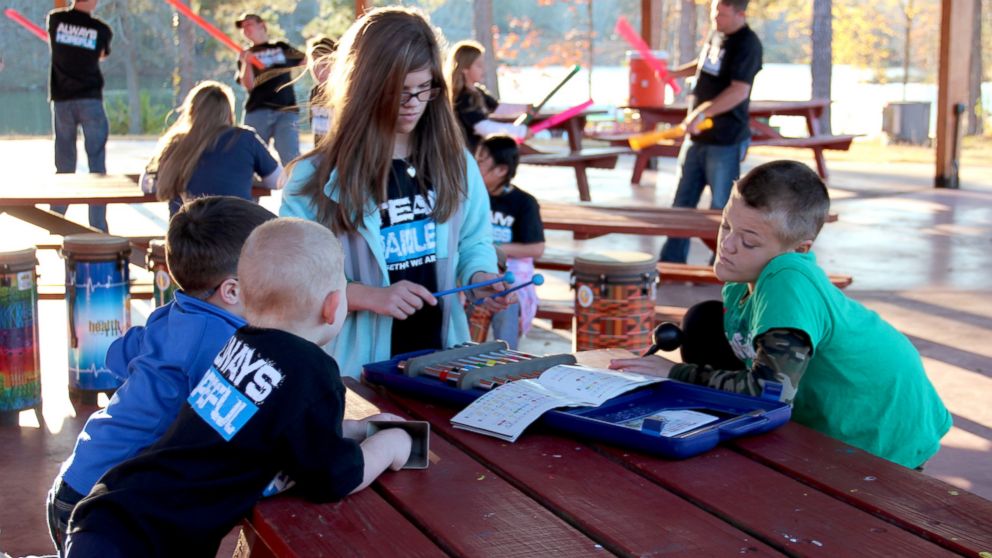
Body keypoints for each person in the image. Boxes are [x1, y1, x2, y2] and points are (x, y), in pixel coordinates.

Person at [64, 218, 414, 558]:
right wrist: (388, 445)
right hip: (145, 541)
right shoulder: (310, 371)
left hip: (116, 509)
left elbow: (262, 428)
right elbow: (333, 478)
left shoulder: (240, 344)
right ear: (333, 306)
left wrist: (343, 429)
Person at [611, 161, 951, 469]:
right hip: (835, 409)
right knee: (704, 320)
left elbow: (768, 393)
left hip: (880, 433)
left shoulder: (787, 276)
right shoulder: (741, 278)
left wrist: (675, 374)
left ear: (799, 248)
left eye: (749, 241)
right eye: (726, 226)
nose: (727, 246)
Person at [280, 7, 509, 378]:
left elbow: (473, 241)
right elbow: (291, 280)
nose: (413, 105)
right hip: (354, 373)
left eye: (424, 89)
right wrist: (370, 297)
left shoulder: (456, 163)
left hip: (441, 363)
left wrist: (480, 277)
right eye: (399, 92)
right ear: (364, 86)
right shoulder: (312, 178)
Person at [46, 196, 276, 556]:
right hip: (107, 510)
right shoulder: (218, 343)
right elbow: (229, 433)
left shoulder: (174, 312)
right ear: (232, 290)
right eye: (273, 275)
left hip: (76, 481)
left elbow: (117, 356)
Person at [659, 0, 763, 264]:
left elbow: (740, 90)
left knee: (722, 208)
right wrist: (675, 73)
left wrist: (702, 112)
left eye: (722, 14)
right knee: (682, 203)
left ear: (740, 14)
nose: (716, 19)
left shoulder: (747, 44)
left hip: (725, 139)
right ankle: (671, 262)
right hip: (697, 138)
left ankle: (722, 264)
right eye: (714, 13)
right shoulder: (718, 33)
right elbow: (703, 63)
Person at [138, 81, 282, 216]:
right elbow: (278, 181)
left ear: (192, 111)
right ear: (228, 112)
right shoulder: (244, 138)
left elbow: (146, 184)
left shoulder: (175, 143)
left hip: (184, 237)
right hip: (236, 234)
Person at [46, 0, 113, 232]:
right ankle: (98, 228)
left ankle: (55, 222)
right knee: (97, 166)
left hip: (62, 98)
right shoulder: (101, 29)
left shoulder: (56, 20)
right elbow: (102, 54)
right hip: (89, 98)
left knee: (64, 164)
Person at [474, 134, 544, 349]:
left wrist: (494, 248)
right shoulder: (472, 197)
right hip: (478, 266)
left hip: (513, 273)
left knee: (507, 299)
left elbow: (536, 248)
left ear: (501, 170)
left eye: (481, 161)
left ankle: (506, 359)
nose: (474, 166)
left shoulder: (524, 203)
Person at [235, 13, 305, 165]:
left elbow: (306, 61)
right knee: (249, 157)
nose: (245, 28)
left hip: (286, 110)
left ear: (262, 25)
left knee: (291, 157)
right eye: (243, 26)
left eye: (249, 24)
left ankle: (297, 188)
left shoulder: (281, 47)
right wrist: (246, 63)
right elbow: (248, 85)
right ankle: (256, 188)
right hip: (258, 110)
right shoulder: (245, 55)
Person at [445, 40, 527, 151]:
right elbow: (483, 128)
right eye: (479, 65)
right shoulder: (463, 97)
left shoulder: (477, 92)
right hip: (466, 153)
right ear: (465, 68)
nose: (483, 69)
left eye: (483, 65)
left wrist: (526, 108)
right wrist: (521, 131)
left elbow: (497, 108)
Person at [307, 36, 337, 146]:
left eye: (324, 65)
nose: (318, 71)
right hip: (322, 155)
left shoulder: (348, 91)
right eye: (314, 65)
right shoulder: (314, 92)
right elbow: (317, 132)